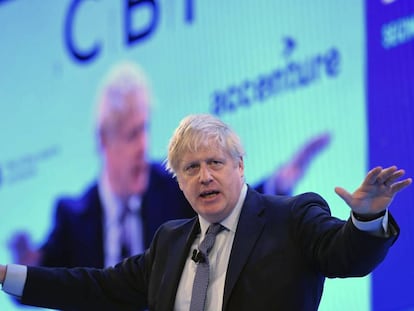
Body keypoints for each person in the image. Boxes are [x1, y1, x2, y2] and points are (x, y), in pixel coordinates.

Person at [0, 114, 411, 311]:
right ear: (178, 181)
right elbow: (94, 287)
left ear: (240, 166)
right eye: (190, 169)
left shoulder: (292, 217)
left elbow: (346, 256)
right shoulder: (169, 243)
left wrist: (366, 220)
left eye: (214, 163)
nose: (204, 177)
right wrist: (7, 276)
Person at [9, 61, 331, 269]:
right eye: (132, 134)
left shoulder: (171, 186)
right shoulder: (72, 218)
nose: (144, 146)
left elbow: (229, 205)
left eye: (145, 129)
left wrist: (280, 182)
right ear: (104, 140)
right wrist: (24, 264)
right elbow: (42, 279)